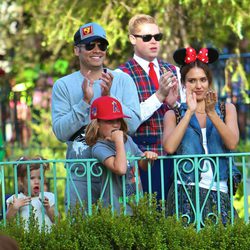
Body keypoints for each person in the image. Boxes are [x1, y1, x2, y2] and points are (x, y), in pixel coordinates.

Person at [51, 22, 141, 212]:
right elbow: (60, 132)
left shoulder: (123, 80)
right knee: (80, 233)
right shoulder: (63, 85)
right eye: (90, 45)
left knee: (122, 232)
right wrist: (84, 102)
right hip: (81, 174)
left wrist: (109, 98)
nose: (97, 50)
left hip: (118, 175)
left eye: (102, 45)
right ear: (77, 50)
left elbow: (133, 125)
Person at [162, 47, 241, 225]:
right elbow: (169, 147)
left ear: (209, 81)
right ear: (184, 83)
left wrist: (212, 113)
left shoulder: (226, 109)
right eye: (192, 80)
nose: (198, 86)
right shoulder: (173, 114)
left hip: (219, 190)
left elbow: (232, 143)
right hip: (185, 191)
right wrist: (188, 113)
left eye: (203, 80)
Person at [118, 14, 181, 201]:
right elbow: (127, 121)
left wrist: (175, 104)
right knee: (145, 214)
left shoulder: (172, 70)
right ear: (132, 39)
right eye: (146, 37)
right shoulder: (121, 74)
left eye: (157, 37)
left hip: (173, 156)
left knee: (174, 213)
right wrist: (159, 96)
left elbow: (184, 113)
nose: (153, 41)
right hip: (141, 157)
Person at [85, 96, 158, 214]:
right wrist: (118, 140)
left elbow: (143, 165)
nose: (116, 125)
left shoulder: (127, 139)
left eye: (118, 120)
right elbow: (120, 169)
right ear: (97, 124)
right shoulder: (99, 147)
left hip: (136, 205)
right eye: (109, 121)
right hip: (115, 211)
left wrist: (148, 158)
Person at [6, 156, 55, 230]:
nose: (37, 181)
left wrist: (48, 208)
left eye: (40, 178)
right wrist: (14, 208)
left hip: (47, 239)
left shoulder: (48, 197)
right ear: (21, 181)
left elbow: (57, 219)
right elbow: (8, 220)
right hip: (24, 239)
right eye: (32, 178)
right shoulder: (16, 198)